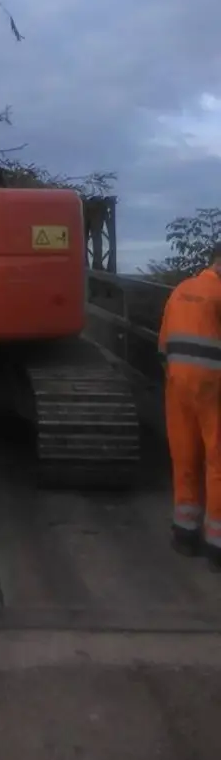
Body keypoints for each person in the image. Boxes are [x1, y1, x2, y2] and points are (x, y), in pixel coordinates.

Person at [158, 243, 221, 572]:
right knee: (217, 463)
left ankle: (185, 533)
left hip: (177, 385)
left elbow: (163, 343)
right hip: (214, 388)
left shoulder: (182, 289)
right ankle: (217, 547)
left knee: (185, 456)